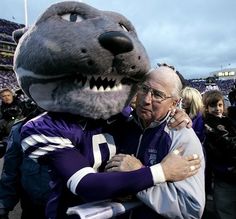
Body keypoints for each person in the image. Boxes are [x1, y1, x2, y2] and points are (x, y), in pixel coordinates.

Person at [106, 65, 206, 218]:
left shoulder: (182, 137)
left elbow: (190, 209)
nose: (146, 99)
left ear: (174, 103)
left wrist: (138, 176)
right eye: (144, 88)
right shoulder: (124, 124)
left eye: (158, 95)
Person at [0, 107, 50, 219]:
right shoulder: (22, 128)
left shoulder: (89, 126)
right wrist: (3, 203)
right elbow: (10, 170)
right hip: (34, 206)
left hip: (76, 206)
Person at [202, 90, 236, 219]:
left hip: (227, 174)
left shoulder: (226, 120)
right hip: (224, 174)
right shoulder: (209, 124)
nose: (217, 109)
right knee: (225, 211)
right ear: (206, 108)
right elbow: (228, 146)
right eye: (213, 106)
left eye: (220, 105)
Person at [0, 88, 25, 157]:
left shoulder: (23, 106)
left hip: (24, 137)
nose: (6, 97)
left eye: (8, 95)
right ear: (1, 98)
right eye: (4, 96)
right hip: (9, 140)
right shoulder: (1, 112)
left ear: (12, 96)